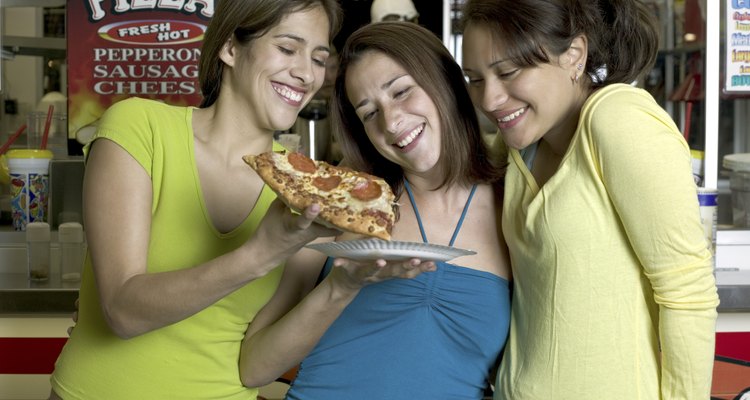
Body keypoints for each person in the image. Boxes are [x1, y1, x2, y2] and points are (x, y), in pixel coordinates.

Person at [48, 1, 351, 398]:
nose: (306, 73)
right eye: (287, 48)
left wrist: (343, 286)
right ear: (229, 48)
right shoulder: (140, 128)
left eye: (318, 58)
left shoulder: (308, 192)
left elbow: (256, 365)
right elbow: (123, 312)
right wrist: (260, 254)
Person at [460, 0, 720, 399]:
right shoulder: (517, 147)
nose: (490, 99)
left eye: (508, 72)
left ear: (574, 56)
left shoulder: (617, 119)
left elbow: (687, 291)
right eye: (475, 79)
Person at [259, 21, 510, 399]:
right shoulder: (341, 204)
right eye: (369, 113)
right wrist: (339, 288)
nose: (391, 123)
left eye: (402, 92)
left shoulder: (515, 202)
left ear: (445, 80)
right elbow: (256, 365)